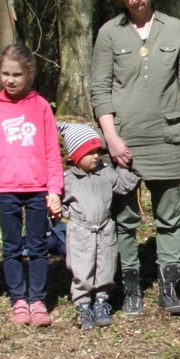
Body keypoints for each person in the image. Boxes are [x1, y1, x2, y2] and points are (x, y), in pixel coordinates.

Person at [90, 0, 180, 316]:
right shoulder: (109, 33)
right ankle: (131, 289)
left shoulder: (174, 29)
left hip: (166, 138)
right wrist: (111, 138)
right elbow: (99, 90)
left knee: (169, 217)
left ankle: (168, 287)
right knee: (126, 219)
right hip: (125, 142)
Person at [0, 43, 64, 327]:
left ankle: (38, 300)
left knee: (38, 246)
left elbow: (51, 152)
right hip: (6, 189)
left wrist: (54, 189)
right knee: (11, 247)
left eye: (17, 74)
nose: (10, 79)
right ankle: (18, 299)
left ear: (30, 73)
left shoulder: (41, 106)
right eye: (5, 73)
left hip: (37, 189)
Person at [60, 123, 140, 329]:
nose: (96, 156)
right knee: (82, 268)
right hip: (80, 231)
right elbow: (60, 204)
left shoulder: (105, 173)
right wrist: (66, 216)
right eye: (89, 152)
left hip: (105, 229)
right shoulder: (68, 179)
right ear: (75, 156)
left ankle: (101, 301)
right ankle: (83, 304)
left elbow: (123, 186)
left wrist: (125, 166)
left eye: (97, 151)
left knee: (105, 265)